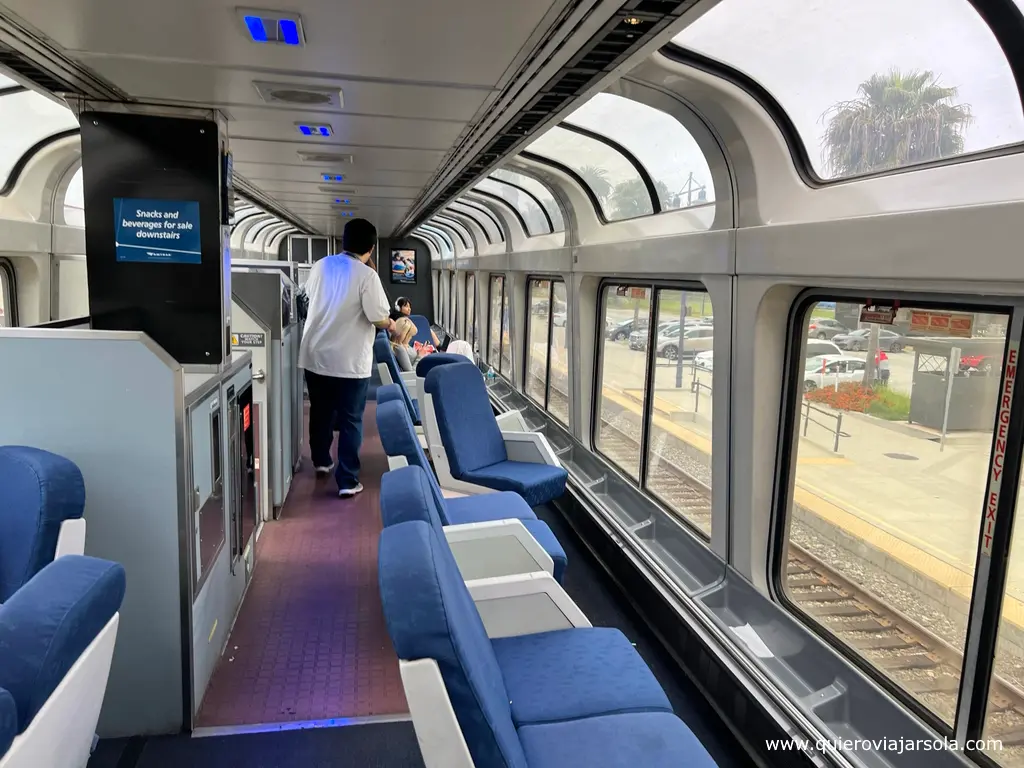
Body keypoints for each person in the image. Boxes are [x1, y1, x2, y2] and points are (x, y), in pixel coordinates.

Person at [298, 218, 394, 498]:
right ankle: (348, 480)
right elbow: (377, 316)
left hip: (316, 355)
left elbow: (307, 298)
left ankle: (321, 461)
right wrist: (392, 325)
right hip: (350, 362)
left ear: (343, 241)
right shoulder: (367, 276)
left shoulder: (320, 265)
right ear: (371, 248)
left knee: (321, 410)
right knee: (351, 419)